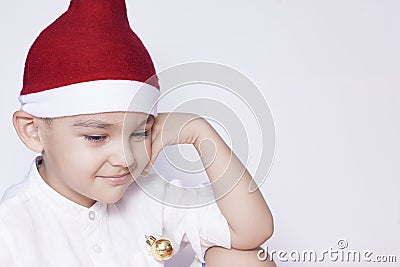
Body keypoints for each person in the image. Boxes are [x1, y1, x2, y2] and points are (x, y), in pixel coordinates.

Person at [0, 0, 275, 266]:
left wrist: (198, 131)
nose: (125, 158)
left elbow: (251, 231)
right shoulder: (11, 230)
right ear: (33, 131)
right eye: (97, 137)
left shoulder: (149, 196)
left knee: (245, 259)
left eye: (139, 134)